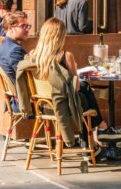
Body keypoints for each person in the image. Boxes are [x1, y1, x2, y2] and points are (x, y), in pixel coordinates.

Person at [14, 19, 94, 147]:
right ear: (60, 36)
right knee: (85, 92)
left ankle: (95, 133)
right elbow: (76, 88)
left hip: (42, 107)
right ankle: (92, 138)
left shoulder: (32, 55)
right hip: (62, 107)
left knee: (85, 90)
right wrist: (75, 70)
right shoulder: (66, 56)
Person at [0, 10, 30, 111]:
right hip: (24, 102)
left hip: (15, 100)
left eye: (28, 26)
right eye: (23, 26)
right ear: (11, 28)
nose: (27, 30)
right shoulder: (14, 50)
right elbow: (28, 77)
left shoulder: (4, 45)